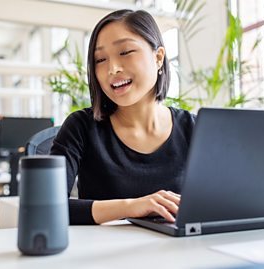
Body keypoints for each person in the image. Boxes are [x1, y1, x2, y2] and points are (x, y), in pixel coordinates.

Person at [50, 9, 196, 225]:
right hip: (106, 255)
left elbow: (227, 198)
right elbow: (47, 206)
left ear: (158, 57)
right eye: (100, 59)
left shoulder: (194, 128)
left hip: (187, 252)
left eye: (125, 52)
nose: (112, 69)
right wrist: (132, 206)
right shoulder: (80, 127)